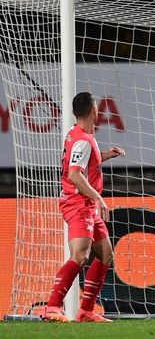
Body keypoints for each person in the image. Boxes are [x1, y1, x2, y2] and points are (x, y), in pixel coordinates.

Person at [40, 92, 126, 323]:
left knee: (106, 254)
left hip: (86, 203)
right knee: (80, 255)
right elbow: (75, 174)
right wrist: (99, 198)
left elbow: (82, 163)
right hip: (78, 203)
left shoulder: (76, 133)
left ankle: (86, 311)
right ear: (94, 111)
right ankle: (52, 307)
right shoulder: (83, 140)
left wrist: (107, 155)